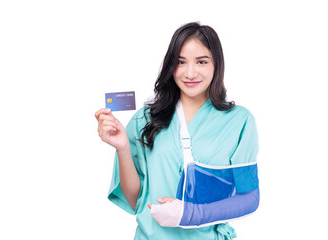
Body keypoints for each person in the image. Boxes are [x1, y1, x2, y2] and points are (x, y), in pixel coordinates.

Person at [95, 22, 259, 239]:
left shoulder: (239, 121)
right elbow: (137, 200)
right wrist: (123, 148)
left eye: (201, 61)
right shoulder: (145, 119)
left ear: (216, 65)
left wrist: (189, 214)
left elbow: (249, 197)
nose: (190, 73)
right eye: (180, 62)